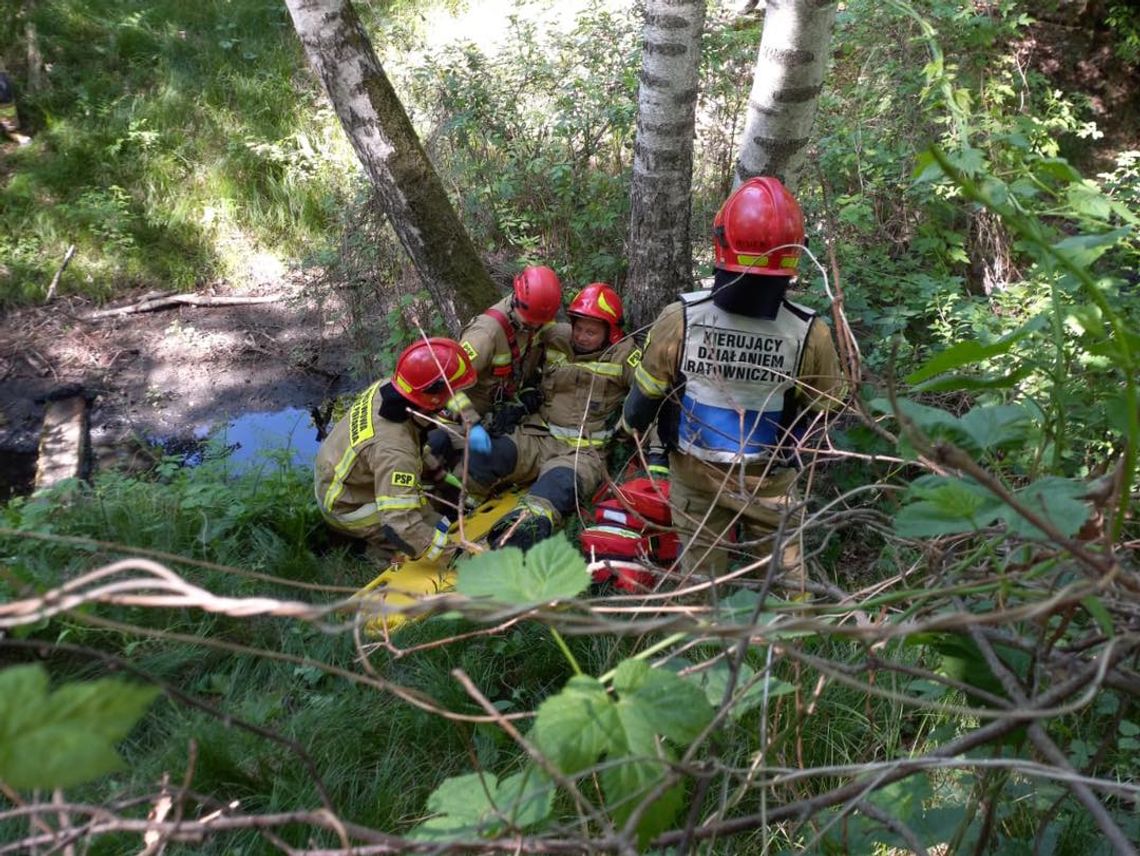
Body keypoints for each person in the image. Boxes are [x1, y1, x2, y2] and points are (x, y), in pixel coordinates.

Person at [620, 176, 845, 589]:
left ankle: (705, 641)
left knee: (701, 581)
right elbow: (824, 412)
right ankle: (793, 641)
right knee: (788, 579)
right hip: (770, 478)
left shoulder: (681, 318)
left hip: (696, 473)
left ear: (721, 242)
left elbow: (643, 399)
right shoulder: (809, 332)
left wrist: (629, 429)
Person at [466, 283, 641, 550]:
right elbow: (524, 357)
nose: (581, 337)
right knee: (486, 456)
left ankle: (520, 531)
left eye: (591, 332)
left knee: (557, 487)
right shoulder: (556, 337)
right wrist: (523, 398)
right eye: (578, 328)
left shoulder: (625, 355)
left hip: (582, 452)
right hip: (539, 435)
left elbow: (648, 395)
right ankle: (461, 506)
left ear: (611, 332)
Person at [314, 337, 478, 566]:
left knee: (433, 516)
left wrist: (440, 476)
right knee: (432, 531)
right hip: (349, 505)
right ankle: (374, 553)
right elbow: (400, 524)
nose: (455, 399)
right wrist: (457, 558)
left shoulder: (391, 390)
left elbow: (413, 442)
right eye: (452, 393)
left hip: (342, 476)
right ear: (432, 397)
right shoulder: (394, 449)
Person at [424, 265, 563, 471]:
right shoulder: (486, 334)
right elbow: (444, 382)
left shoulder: (538, 320)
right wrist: (472, 424)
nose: (535, 327)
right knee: (451, 462)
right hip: (461, 422)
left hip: (498, 416)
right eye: (531, 322)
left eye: (540, 323)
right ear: (516, 300)